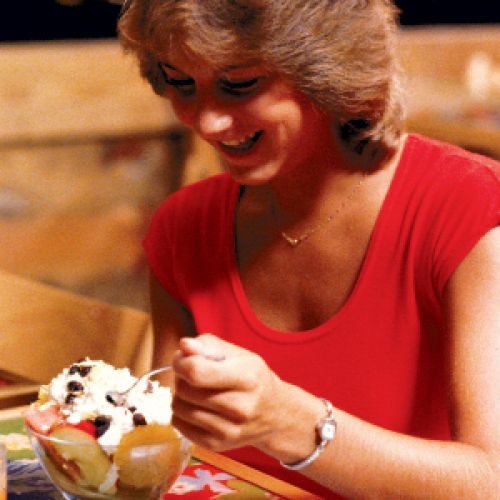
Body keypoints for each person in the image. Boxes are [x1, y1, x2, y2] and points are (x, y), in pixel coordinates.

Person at [118, 1, 500, 497]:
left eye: (240, 84)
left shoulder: (469, 209)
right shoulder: (184, 228)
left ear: (331, 73)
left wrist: (294, 424)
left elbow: (491, 480)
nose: (207, 122)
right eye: (181, 83)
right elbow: (164, 448)